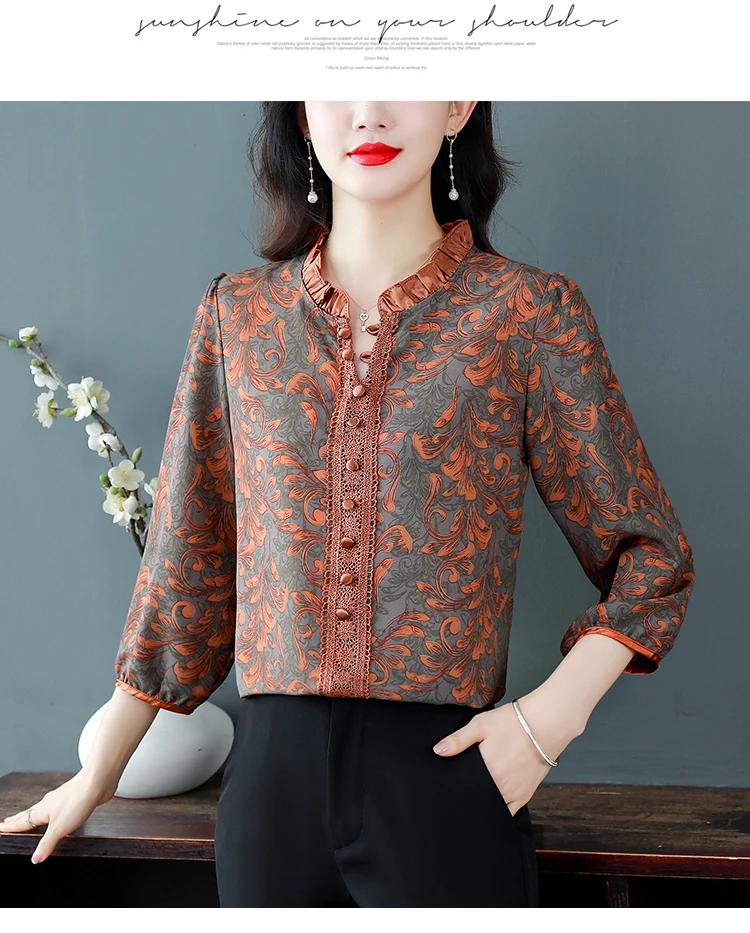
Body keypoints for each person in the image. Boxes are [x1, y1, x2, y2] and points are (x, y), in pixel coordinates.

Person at [0, 102, 695, 907]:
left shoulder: (526, 313)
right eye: (338, 80)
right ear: (301, 112)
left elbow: (654, 559)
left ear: (458, 103)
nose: (368, 112)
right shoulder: (237, 315)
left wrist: (544, 728)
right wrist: (99, 768)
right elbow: (188, 561)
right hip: (270, 799)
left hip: (447, 786)